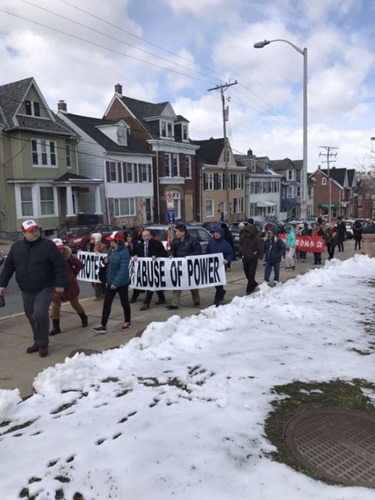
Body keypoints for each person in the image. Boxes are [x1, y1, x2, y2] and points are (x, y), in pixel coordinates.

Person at [0, 220, 67, 357]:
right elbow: (8, 268)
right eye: (31, 231)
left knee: (40, 315)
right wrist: (2, 284)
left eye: (36, 229)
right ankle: (37, 341)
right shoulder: (16, 248)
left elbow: (58, 265)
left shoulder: (48, 245)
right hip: (26, 289)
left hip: (44, 287)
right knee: (31, 317)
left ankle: (43, 344)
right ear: (24, 233)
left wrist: (60, 284)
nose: (35, 232)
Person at [92, 231, 131, 334]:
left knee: (124, 302)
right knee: (107, 303)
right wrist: (104, 261)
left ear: (117, 241)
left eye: (111, 241)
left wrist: (116, 283)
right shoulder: (110, 250)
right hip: (110, 282)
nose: (109, 243)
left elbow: (123, 270)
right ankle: (103, 325)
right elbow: (107, 263)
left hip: (121, 283)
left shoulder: (124, 252)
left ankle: (127, 321)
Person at [49, 238, 88, 335]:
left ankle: (84, 317)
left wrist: (72, 275)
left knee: (75, 304)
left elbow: (79, 265)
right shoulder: (48, 259)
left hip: (69, 285)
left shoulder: (68, 257)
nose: (60, 251)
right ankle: (56, 327)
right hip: (56, 287)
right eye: (57, 249)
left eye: (61, 248)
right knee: (55, 307)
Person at [166, 223, 202, 310]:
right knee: (178, 283)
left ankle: (196, 300)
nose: (176, 233)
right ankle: (174, 303)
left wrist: (189, 256)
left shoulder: (193, 241)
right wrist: (171, 255)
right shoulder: (175, 241)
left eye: (177, 232)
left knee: (192, 283)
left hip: (189, 266)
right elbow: (172, 250)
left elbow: (198, 251)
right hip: (179, 265)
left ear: (183, 232)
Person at [132, 228, 168, 310]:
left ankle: (146, 303)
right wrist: (135, 255)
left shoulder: (157, 243)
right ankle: (162, 298)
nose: (146, 237)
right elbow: (135, 252)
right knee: (154, 283)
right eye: (144, 236)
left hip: (154, 266)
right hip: (144, 266)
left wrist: (156, 255)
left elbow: (164, 253)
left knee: (150, 283)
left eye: (147, 235)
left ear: (151, 235)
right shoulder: (140, 244)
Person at [206, 227, 234, 306]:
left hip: (221, 266)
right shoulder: (211, 242)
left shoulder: (225, 244)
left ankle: (217, 299)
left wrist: (227, 260)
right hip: (212, 265)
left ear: (221, 234)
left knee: (218, 282)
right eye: (215, 233)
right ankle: (221, 292)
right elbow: (207, 251)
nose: (216, 235)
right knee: (214, 282)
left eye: (218, 233)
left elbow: (231, 253)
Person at [238, 222, 264, 295]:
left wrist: (260, 257)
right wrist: (241, 252)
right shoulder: (243, 237)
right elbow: (240, 244)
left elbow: (260, 248)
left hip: (253, 258)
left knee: (251, 274)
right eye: (246, 233)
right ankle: (254, 283)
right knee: (246, 273)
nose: (247, 234)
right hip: (245, 257)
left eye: (248, 233)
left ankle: (249, 290)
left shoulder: (257, 238)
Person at [89, 232, 107, 301]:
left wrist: (98, 254)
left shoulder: (102, 246)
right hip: (94, 265)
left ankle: (98, 295)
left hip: (100, 266)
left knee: (99, 280)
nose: (91, 240)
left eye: (92, 238)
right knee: (97, 280)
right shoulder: (91, 246)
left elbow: (104, 255)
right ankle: (103, 294)